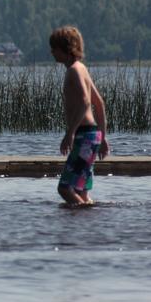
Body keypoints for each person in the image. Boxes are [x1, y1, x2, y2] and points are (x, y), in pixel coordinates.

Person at [49, 25, 109, 205]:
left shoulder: (74, 70)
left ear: (66, 49)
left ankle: (82, 212)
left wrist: (70, 133)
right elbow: (100, 103)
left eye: (54, 48)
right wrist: (103, 137)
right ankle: (84, 224)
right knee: (80, 191)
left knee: (65, 188)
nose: (51, 52)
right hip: (92, 135)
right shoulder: (81, 68)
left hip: (84, 135)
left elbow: (86, 102)